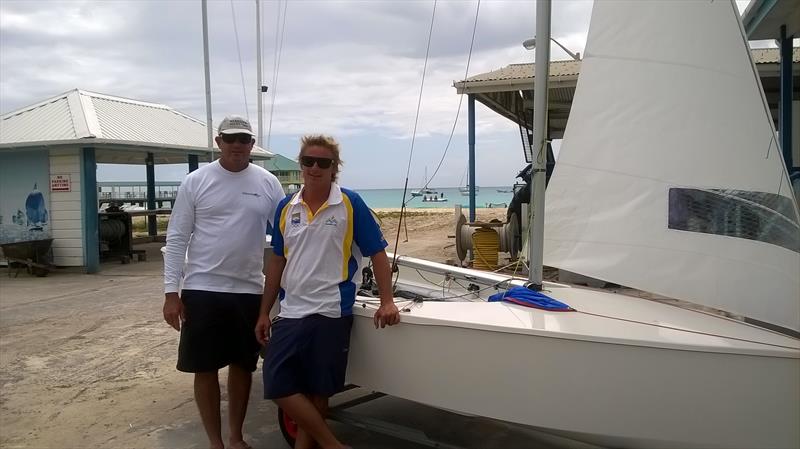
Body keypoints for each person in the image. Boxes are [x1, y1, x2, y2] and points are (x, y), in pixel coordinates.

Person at [255, 135, 400, 449]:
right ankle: (334, 446)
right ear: (301, 165)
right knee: (276, 382)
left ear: (335, 168)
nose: (315, 168)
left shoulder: (350, 203)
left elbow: (377, 253)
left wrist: (387, 300)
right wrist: (264, 311)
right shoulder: (286, 206)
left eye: (324, 162)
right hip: (292, 309)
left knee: (318, 391)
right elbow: (278, 260)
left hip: (332, 310)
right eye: (309, 161)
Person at [162, 115, 285, 449]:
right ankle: (215, 442)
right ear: (218, 142)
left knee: (242, 367)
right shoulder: (196, 181)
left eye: (244, 139)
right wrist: (171, 293)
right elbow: (176, 238)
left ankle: (235, 437)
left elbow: (288, 236)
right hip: (202, 289)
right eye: (230, 139)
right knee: (205, 368)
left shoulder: (267, 182)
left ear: (251, 144)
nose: (237, 145)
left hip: (249, 290)